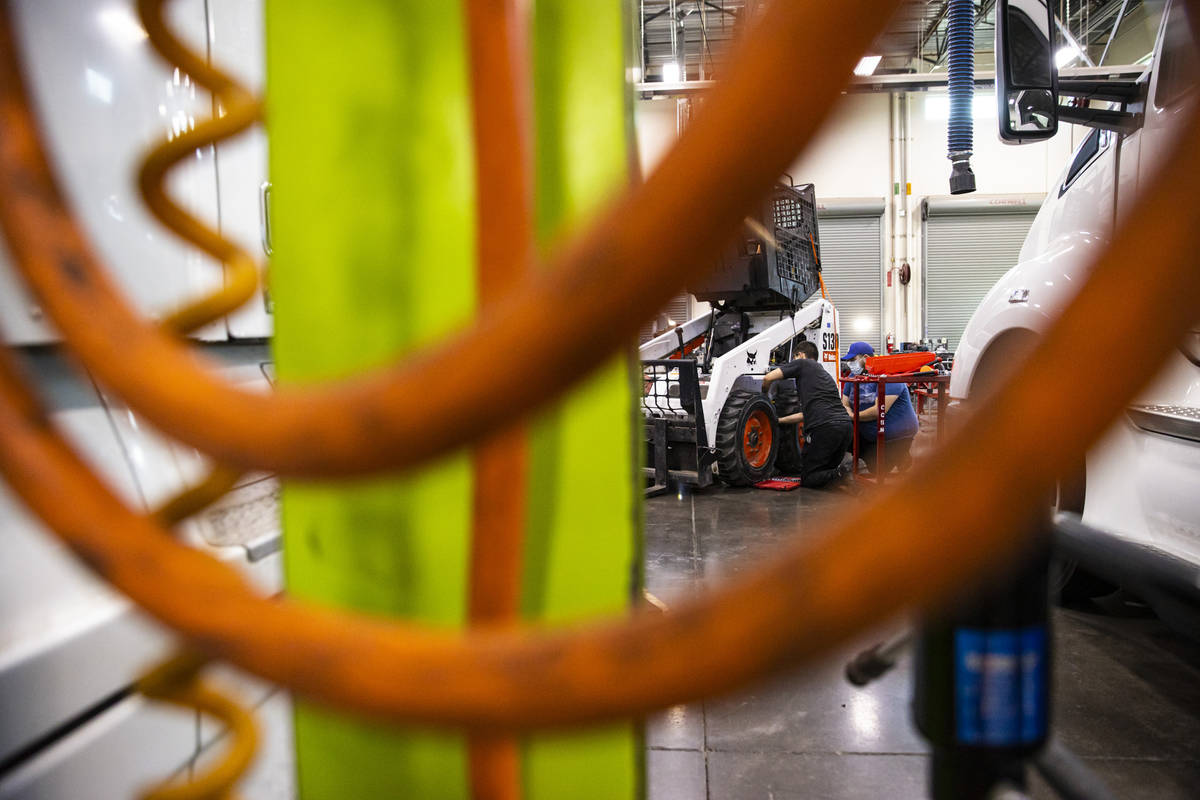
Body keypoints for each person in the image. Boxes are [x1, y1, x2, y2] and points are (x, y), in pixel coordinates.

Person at [761, 340, 851, 488]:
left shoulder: (802, 364)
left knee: (809, 478)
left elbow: (767, 378)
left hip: (825, 429)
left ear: (801, 355)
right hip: (844, 428)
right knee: (824, 472)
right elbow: (806, 414)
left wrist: (764, 399)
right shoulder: (823, 374)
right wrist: (779, 420)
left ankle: (842, 473)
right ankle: (844, 474)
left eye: (794, 358)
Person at [840, 341, 919, 474]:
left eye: (853, 360)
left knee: (878, 470)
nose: (850, 364)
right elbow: (845, 402)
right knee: (838, 434)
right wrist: (848, 414)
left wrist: (853, 417)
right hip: (868, 431)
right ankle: (867, 455)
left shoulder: (888, 376)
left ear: (865, 357)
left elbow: (878, 410)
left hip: (894, 435)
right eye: (848, 361)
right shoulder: (853, 376)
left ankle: (901, 456)